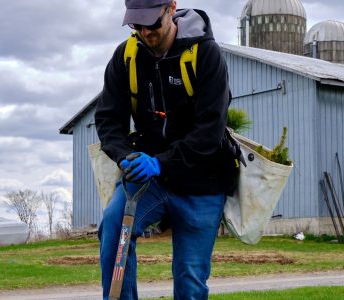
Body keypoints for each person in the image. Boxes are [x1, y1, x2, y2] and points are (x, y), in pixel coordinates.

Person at [95, 0, 235, 299]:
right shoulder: (126, 57)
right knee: (113, 226)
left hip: (202, 180)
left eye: (152, 23)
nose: (145, 31)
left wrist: (161, 162)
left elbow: (210, 130)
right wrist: (125, 156)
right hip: (148, 179)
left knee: (189, 278)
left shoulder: (205, 54)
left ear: (171, 9)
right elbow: (108, 120)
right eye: (136, 24)